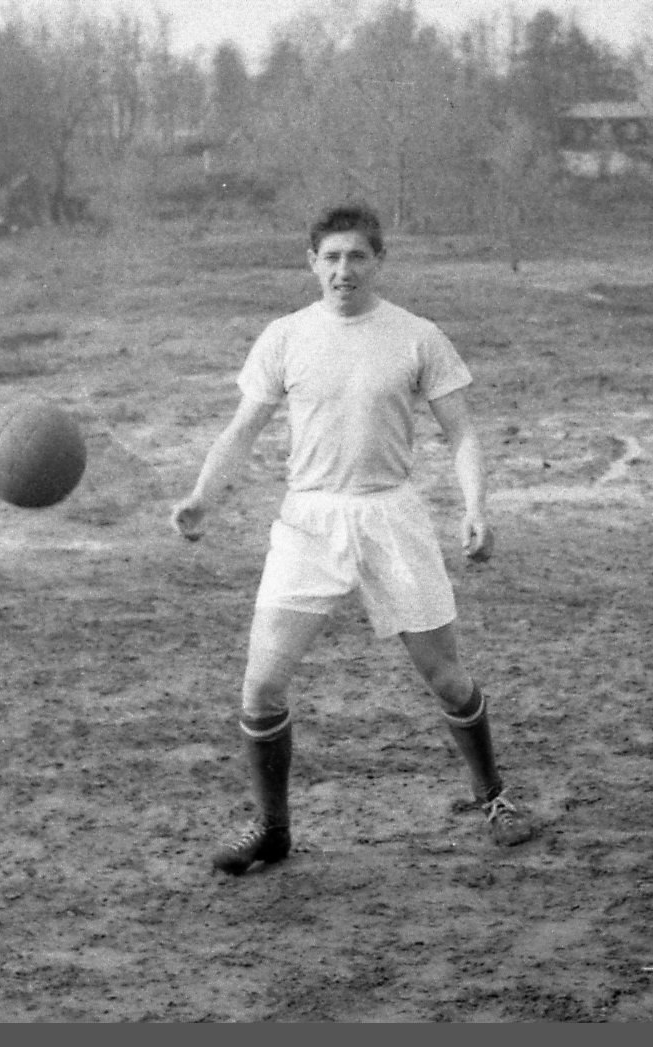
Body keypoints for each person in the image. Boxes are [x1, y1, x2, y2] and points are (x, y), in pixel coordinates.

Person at [170, 202, 535, 876]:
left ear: (378, 261)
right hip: (308, 522)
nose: (344, 270)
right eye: (332, 257)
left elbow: (461, 431)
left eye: (357, 256)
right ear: (312, 263)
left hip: (391, 516)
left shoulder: (417, 336)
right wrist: (201, 497)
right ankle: (273, 829)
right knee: (261, 688)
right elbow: (241, 430)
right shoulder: (285, 336)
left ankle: (494, 797)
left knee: (447, 679)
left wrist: (476, 508)